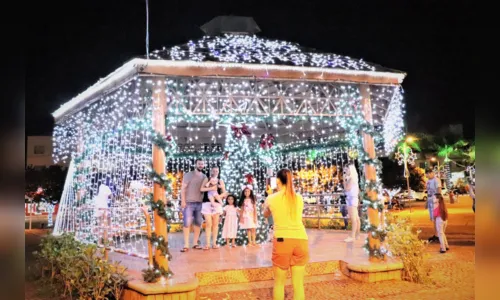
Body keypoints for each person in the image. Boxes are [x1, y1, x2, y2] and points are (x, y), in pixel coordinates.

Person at [264, 169, 309, 300]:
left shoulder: (271, 198)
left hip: (282, 240)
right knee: (298, 284)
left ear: (278, 180)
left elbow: (265, 214)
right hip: (301, 239)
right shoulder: (299, 198)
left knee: (279, 283)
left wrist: (269, 196)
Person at [180, 158, 211, 252]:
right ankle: (186, 244)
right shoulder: (188, 175)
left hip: (200, 203)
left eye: (202, 164)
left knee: (198, 223)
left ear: (204, 165)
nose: (201, 165)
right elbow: (183, 188)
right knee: (187, 223)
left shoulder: (205, 177)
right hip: (189, 202)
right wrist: (183, 201)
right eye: (199, 164)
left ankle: (195, 243)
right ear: (195, 164)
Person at [200, 166, 227, 250]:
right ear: (211, 171)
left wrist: (217, 197)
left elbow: (225, 193)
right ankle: (207, 243)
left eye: (217, 171)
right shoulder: (207, 179)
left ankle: (214, 243)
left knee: (215, 224)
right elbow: (201, 189)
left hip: (216, 204)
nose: (215, 172)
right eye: (214, 170)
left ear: (218, 172)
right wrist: (211, 188)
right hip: (207, 203)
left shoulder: (220, 181)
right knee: (208, 224)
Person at [343, 164, 360, 242]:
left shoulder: (351, 179)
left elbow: (347, 189)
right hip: (354, 199)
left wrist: (344, 180)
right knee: (356, 218)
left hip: (351, 200)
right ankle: (357, 235)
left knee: (353, 219)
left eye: (347, 169)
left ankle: (352, 237)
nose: (345, 171)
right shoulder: (354, 179)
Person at [426, 169, 442, 242]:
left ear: (432, 173)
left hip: (435, 201)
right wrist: (427, 202)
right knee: (433, 219)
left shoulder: (436, 180)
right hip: (430, 201)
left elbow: (439, 189)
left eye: (428, 173)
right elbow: (428, 192)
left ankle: (438, 235)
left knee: (437, 218)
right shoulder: (428, 181)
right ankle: (436, 234)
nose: (427, 175)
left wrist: (438, 200)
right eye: (426, 174)